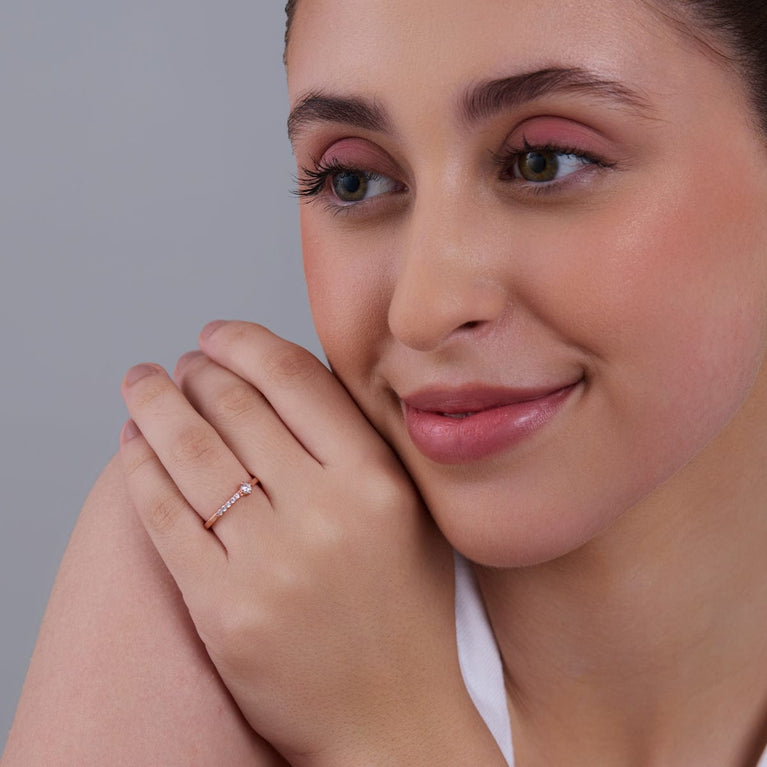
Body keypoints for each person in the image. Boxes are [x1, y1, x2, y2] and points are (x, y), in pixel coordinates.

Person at [4, 0, 767, 764]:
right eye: (354, 179)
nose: (421, 309)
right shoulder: (225, 543)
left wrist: (394, 731)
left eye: (544, 161)